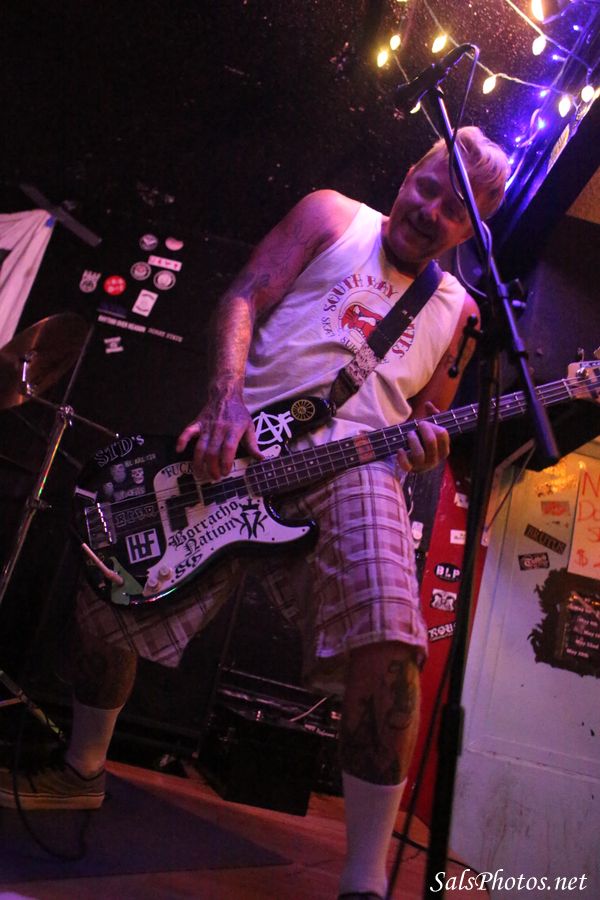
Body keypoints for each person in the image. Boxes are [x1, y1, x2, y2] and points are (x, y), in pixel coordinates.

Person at [0, 126, 509, 900]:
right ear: (410, 173)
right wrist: (225, 397)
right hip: (242, 446)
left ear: (472, 229)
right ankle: (82, 771)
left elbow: (426, 417)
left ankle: (364, 882)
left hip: (354, 466)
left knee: (392, 639)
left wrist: (423, 446)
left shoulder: (459, 311)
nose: (431, 210)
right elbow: (244, 294)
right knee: (113, 592)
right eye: (428, 186)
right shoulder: (333, 215)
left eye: (454, 209)